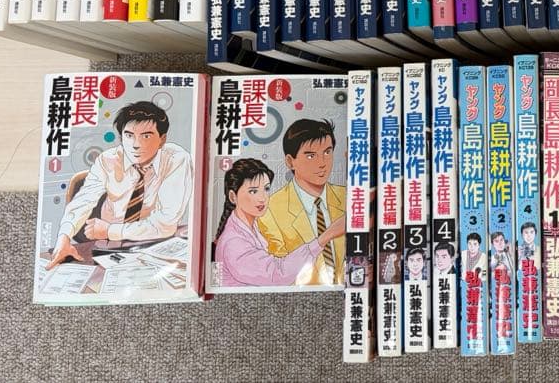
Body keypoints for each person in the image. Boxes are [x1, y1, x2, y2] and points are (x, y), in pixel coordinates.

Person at [47, 101, 193, 269]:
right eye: (129, 135)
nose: (136, 145)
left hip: (154, 243)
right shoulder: (107, 160)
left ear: (162, 140)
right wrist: (64, 237)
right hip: (107, 246)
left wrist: (110, 230)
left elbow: (165, 224)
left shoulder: (176, 160)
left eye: (146, 136)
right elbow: (83, 200)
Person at [213, 159, 340, 287]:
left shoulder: (253, 227)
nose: (263, 198)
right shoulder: (233, 242)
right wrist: (325, 237)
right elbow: (277, 273)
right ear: (233, 197)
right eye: (253, 191)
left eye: (266, 189)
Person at [257, 119, 346, 286]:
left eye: (327, 152)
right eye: (311, 156)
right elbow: (279, 274)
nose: (322, 163)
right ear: (290, 161)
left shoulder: (349, 197)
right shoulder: (270, 210)